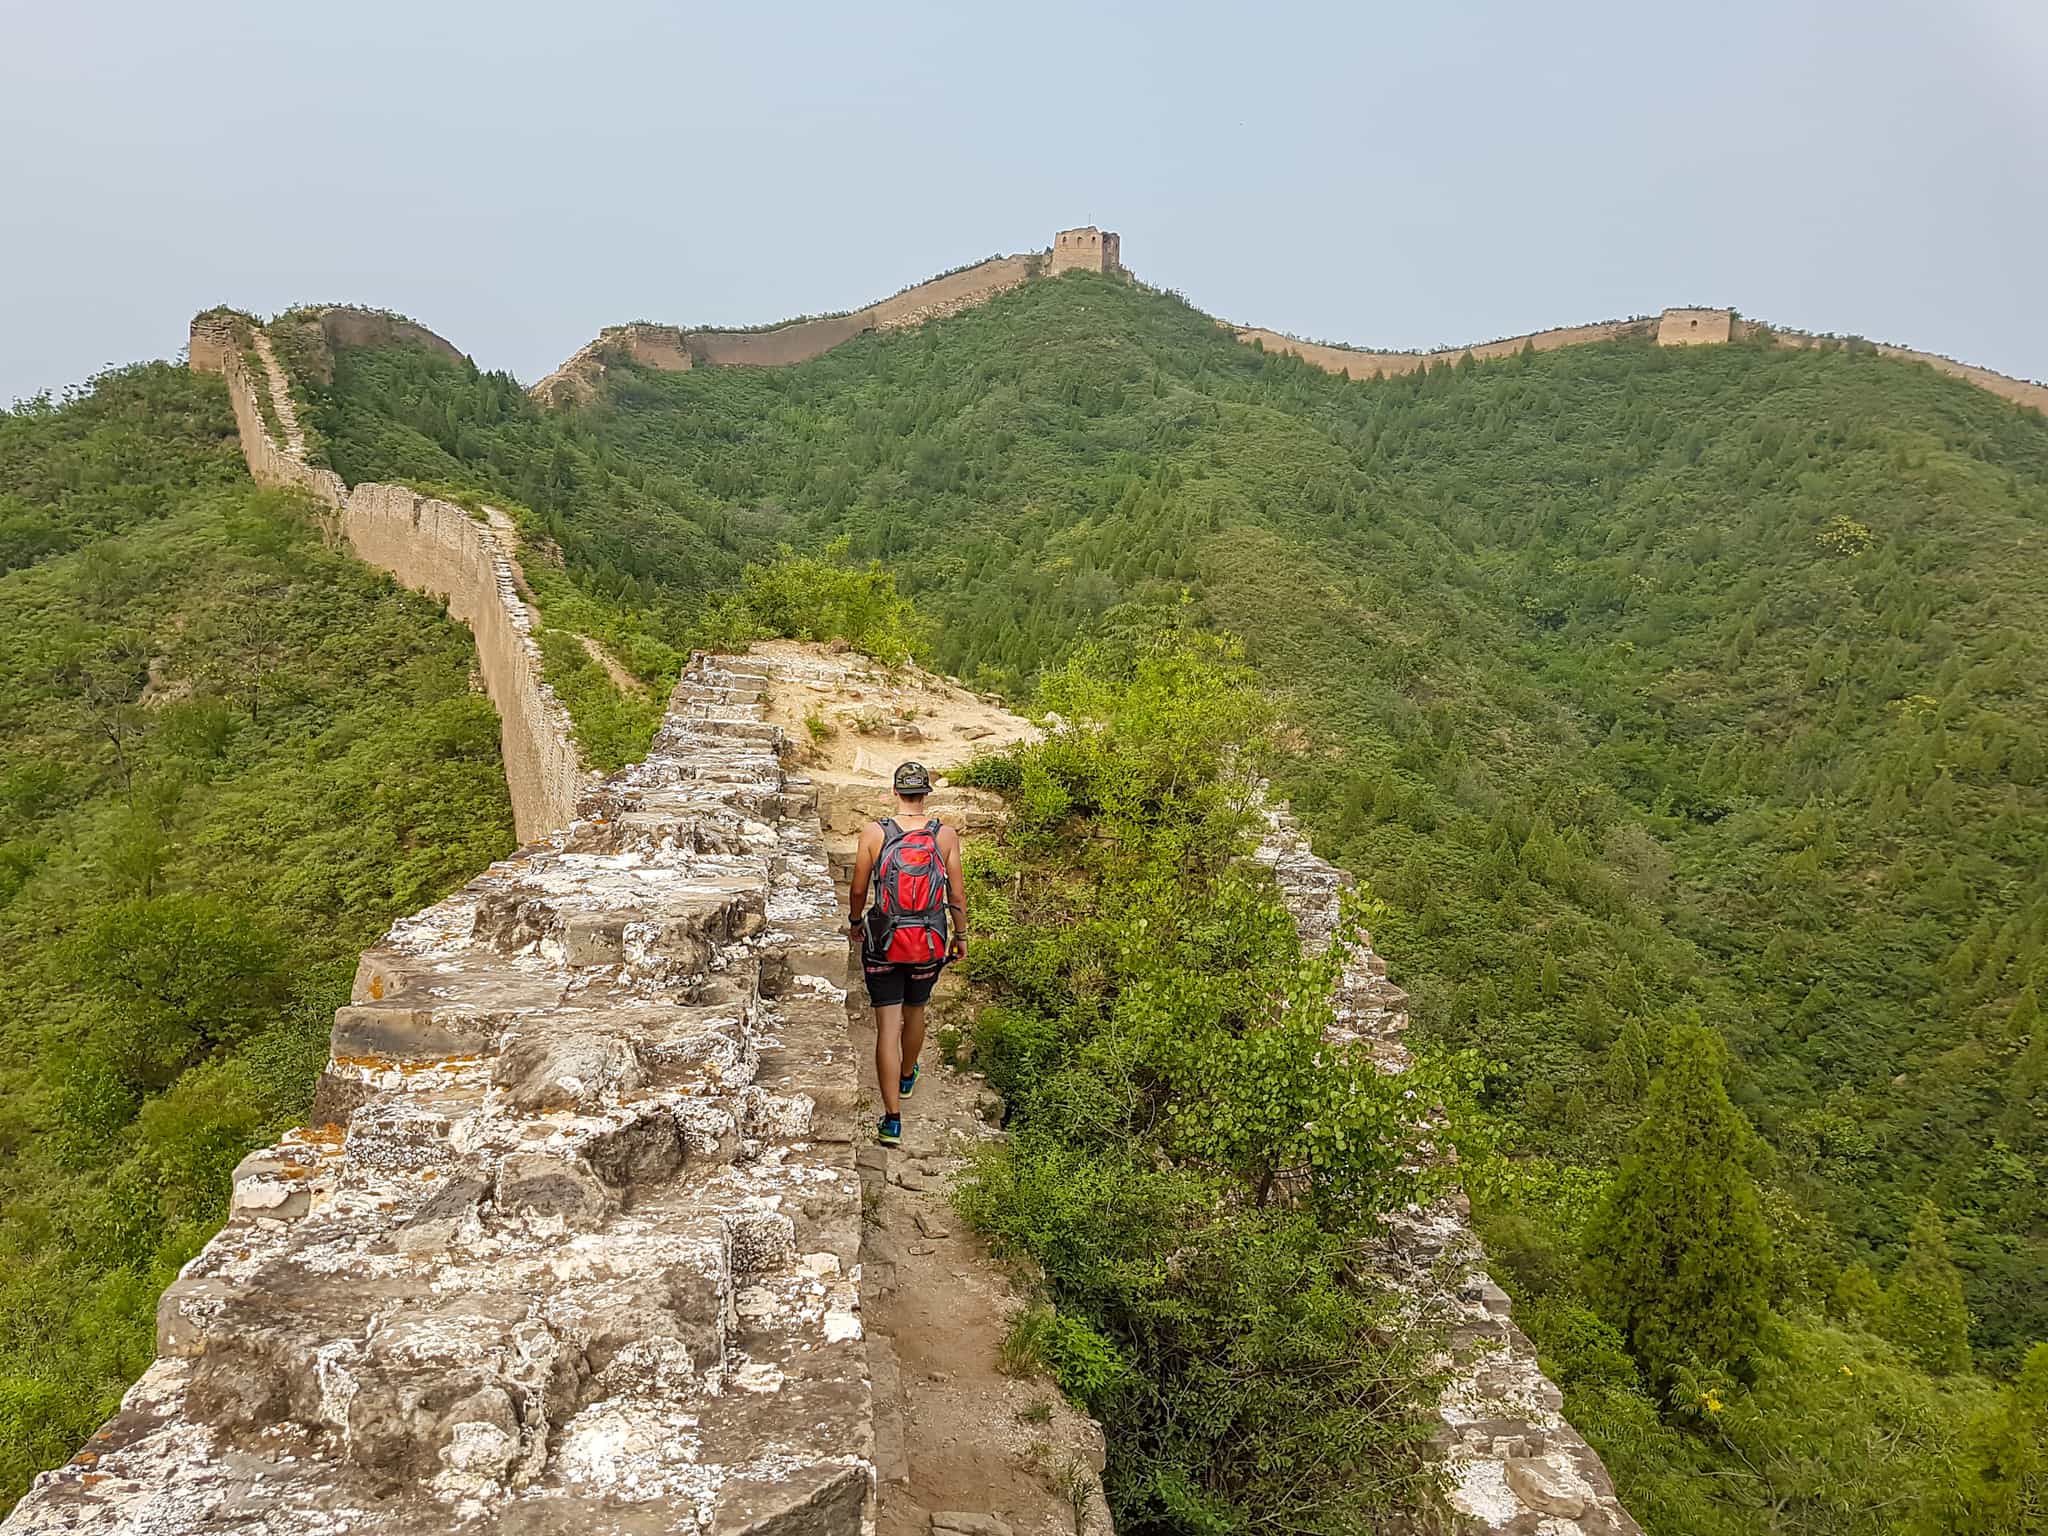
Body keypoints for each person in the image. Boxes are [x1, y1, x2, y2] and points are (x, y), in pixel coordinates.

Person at [847, 760, 966, 1146]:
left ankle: (892, 1120)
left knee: (887, 1028)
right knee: (915, 1011)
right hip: (928, 940)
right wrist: (961, 936)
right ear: (926, 793)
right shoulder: (944, 835)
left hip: (884, 940)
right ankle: (907, 1074)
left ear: (895, 792)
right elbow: (956, 894)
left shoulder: (874, 833)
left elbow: (858, 889)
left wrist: (855, 922)